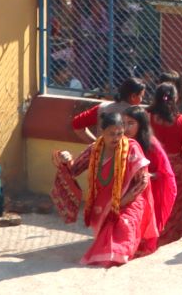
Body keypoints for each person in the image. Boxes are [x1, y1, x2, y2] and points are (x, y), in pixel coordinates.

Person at [54, 109, 152, 267]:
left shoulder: (131, 148)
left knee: (123, 228)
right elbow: (73, 170)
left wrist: (121, 202)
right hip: (103, 204)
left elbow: (143, 181)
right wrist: (66, 159)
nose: (116, 138)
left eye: (120, 133)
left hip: (130, 200)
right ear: (101, 131)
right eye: (112, 134)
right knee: (107, 244)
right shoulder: (94, 150)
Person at [148, 82, 182, 245]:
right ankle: (174, 239)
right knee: (177, 205)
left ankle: (154, 238)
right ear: (176, 98)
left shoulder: (147, 117)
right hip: (175, 169)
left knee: (156, 202)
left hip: (153, 166)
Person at [128, 106, 178, 256]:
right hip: (130, 193)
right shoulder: (123, 142)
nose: (126, 127)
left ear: (141, 125)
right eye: (123, 123)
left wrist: (149, 176)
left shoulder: (152, 145)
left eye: (131, 123)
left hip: (151, 194)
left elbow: (166, 173)